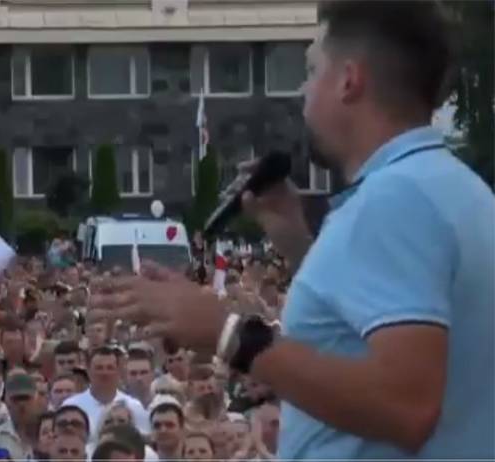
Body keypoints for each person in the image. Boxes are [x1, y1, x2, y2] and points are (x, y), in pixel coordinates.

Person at [93, 1, 495, 459]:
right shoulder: (457, 190)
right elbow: (370, 336)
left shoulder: (395, 199)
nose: (304, 89)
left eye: (311, 69)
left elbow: (406, 406)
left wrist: (224, 333)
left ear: (348, 80)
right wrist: (302, 245)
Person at [62, 346, 149, 443]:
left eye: (110, 368)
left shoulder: (134, 406)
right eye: (99, 368)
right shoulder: (72, 405)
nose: (105, 373)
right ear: (89, 372)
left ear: (118, 372)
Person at [0, 373, 40, 460]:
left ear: (36, 399)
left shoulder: (50, 434)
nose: (22, 404)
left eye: (26, 398)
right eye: (16, 399)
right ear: (6, 401)